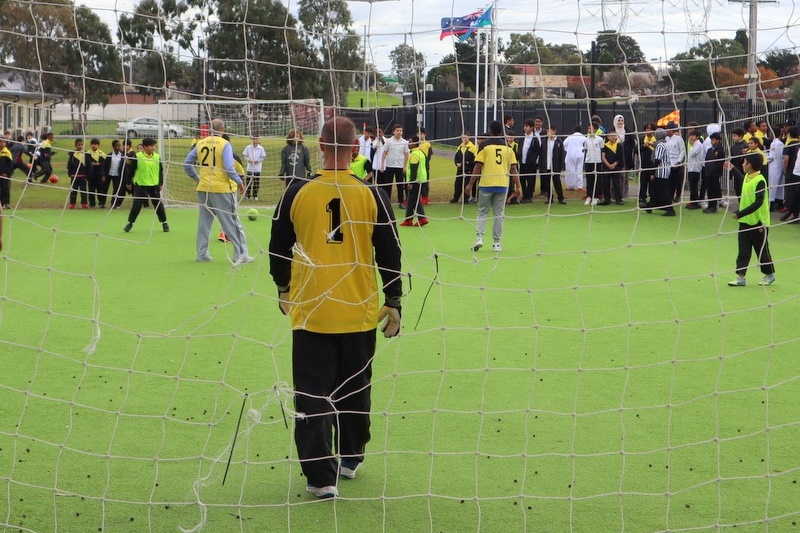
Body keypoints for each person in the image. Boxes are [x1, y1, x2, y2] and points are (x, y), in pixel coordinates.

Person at [268, 116, 402, 500]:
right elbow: (390, 252)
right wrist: (393, 301)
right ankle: (351, 458)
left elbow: (278, 247)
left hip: (311, 311)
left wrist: (282, 286)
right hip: (358, 311)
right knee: (355, 389)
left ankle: (320, 478)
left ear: (320, 146)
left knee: (311, 393)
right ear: (356, 148)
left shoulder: (296, 192)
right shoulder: (372, 194)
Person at [183, 119, 252, 265]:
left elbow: (187, 164)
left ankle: (202, 254)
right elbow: (228, 167)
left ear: (209, 130)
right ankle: (240, 255)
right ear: (223, 129)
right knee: (231, 222)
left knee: (204, 223)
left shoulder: (200, 143)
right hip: (221, 189)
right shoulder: (224, 144)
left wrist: (198, 179)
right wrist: (240, 182)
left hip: (203, 189)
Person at [465, 120, 522, 252]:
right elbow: (513, 169)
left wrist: (470, 184)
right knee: (498, 214)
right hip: (502, 185)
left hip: (486, 184)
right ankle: (497, 243)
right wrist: (518, 187)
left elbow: (478, 165)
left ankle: (479, 238)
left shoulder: (484, 146)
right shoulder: (508, 148)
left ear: (490, 131)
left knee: (482, 212)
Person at [724, 153, 775, 287]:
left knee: (761, 250)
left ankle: (769, 274)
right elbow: (742, 180)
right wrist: (733, 168)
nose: (742, 164)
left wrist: (740, 213)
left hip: (759, 223)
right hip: (745, 222)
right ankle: (741, 278)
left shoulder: (760, 180)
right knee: (743, 250)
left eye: (744, 162)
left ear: (750, 164)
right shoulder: (747, 177)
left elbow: (758, 202)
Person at [123, 137, 169, 234]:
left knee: (158, 205)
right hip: (141, 184)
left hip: (154, 185)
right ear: (144, 147)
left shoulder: (157, 157)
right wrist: (128, 182)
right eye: (151, 146)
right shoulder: (137, 156)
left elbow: (160, 171)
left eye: (154, 146)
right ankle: (130, 223)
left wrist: (160, 182)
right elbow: (131, 170)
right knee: (137, 204)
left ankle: (164, 223)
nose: (153, 148)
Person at [400, 135, 428, 227]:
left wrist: (411, 182)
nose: (408, 143)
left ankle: (419, 218)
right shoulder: (421, 153)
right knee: (413, 200)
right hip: (421, 179)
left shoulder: (414, 155)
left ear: (415, 143)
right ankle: (411, 219)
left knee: (412, 200)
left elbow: (414, 169)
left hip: (415, 181)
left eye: (410, 142)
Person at [648, 128, 675, 216]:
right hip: (666, 169)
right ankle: (651, 205)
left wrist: (652, 172)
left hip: (661, 170)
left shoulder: (660, 145)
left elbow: (657, 160)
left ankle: (670, 209)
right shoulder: (666, 144)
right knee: (657, 189)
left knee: (663, 190)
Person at [381, 124, 409, 208]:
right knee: (388, 185)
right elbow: (385, 152)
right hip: (390, 165)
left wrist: (405, 166)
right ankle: (387, 202)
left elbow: (406, 154)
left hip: (400, 166)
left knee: (400, 185)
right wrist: (382, 164)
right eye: (397, 130)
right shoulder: (389, 141)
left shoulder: (404, 142)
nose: (399, 132)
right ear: (393, 131)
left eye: (400, 130)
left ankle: (401, 202)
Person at [538, 124, 566, 204]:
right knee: (547, 183)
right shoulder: (544, 142)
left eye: (550, 131)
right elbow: (541, 154)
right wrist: (540, 165)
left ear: (554, 131)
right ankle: (550, 198)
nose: (548, 133)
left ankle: (561, 198)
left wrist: (561, 166)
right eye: (547, 131)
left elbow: (562, 155)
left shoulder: (559, 142)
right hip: (546, 166)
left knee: (557, 182)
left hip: (555, 166)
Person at [517, 119, 540, 203]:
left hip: (531, 163)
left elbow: (537, 151)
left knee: (530, 180)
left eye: (527, 126)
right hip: (522, 162)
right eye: (524, 126)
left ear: (531, 127)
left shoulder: (535, 139)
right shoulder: (522, 137)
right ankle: (525, 195)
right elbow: (520, 148)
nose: (525, 128)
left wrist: (532, 160)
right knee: (522, 179)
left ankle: (529, 196)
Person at [452, 132, 477, 204]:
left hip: (468, 169)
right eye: (462, 137)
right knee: (457, 184)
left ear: (469, 137)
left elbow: (474, 160)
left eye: (465, 137)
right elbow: (456, 157)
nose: (463, 139)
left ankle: (466, 199)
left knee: (466, 184)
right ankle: (455, 198)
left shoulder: (473, 148)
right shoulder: (460, 147)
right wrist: (456, 163)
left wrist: (467, 163)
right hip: (460, 169)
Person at [600, 130, 624, 205]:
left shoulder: (619, 145)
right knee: (605, 183)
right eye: (611, 136)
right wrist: (608, 165)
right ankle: (607, 199)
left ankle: (618, 199)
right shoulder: (605, 145)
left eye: (614, 135)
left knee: (616, 183)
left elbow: (620, 157)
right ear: (608, 137)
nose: (613, 137)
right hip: (606, 167)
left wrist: (614, 165)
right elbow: (603, 156)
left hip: (616, 167)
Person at [703, 131, 725, 214]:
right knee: (709, 189)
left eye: (713, 140)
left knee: (714, 190)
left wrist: (714, 170)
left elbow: (720, 162)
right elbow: (707, 160)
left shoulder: (720, 150)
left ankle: (713, 206)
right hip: (709, 173)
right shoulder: (710, 150)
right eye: (711, 140)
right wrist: (707, 169)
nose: (711, 141)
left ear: (718, 140)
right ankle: (710, 205)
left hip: (715, 174)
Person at [584, 121, 604, 206]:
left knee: (597, 180)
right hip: (588, 162)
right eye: (588, 128)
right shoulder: (586, 139)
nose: (589, 130)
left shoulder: (599, 139)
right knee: (589, 180)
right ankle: (589, 196)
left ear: (595, 130)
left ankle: (596, 197)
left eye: (591, 128)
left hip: (597, 162)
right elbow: (586, 149)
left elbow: (602, 150)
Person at [66, 139, 89, 209]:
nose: (80, 146)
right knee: (73, 190)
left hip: (83, 176)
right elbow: (69, 165)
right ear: (76, 145)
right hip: (74, 176)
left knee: (83, 191)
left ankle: (84, 203)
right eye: (79, 145)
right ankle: (72, 203)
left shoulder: (86, 154)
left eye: (82, 145)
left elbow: (89, 165)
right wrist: (70, 173)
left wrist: (88, 175)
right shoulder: (72, 154)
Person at [243, 135, 267, 200]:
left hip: (257, 169)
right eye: (253, 139)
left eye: (256, 139)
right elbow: (245, 155)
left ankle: (255, 196)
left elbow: (263, 157)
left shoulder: (261, 148)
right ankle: (247, 195)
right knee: (248, 182)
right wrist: (249, 160)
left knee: (256, 182)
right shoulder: (248, 147)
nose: (255, 141)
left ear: (258, 140)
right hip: (250, 168)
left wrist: (257, 161)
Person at [104, 139, 126, 209]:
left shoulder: (122, 156)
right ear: (113, 147)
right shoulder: (109, 155)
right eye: (117, 145)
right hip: (109, 174)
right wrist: (103, 175)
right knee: (104, 188)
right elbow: (104, 166)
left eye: (120, 145)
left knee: (116, 189)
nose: (119, 147)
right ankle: (102, 202)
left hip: (117, 175)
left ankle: (113, 203)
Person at [639, 122, 657, 208]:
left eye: (650, 129)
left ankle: (652, 198)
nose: (648, 131)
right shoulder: (642, 139)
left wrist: (652, 144)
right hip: (644, 164)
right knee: (643, 182)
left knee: (652, 182)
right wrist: (644, 146)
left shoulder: (656, 139)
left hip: (653, 164)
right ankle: (642, 197)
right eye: (647, 129)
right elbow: (636, 150)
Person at [686, 129, 705, 209]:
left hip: (695, 168)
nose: (691, 137)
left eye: (693, 135)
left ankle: (695, 203)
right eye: (691, 135)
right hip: (691, 168)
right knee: (692, 186)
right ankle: (692, 201)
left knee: (694, 186)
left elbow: (692, 154)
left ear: (697, 137)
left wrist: (691, 145)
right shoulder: (694, 145)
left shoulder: (698, 145)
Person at [563, 125, 585, 190]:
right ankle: (579, 186)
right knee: (579, 169)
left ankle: (570, 186)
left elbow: (564, 143)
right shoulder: (583, 137)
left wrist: (568, 150)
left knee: (570, 170)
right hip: (580, 154)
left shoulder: (570, 137)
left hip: (571, 154)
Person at [86, 138, 107, 208]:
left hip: (99, 174)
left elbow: (105, 165)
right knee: (91, 190)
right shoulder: (87, 153)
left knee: (100, 189)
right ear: (90, 145)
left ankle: (101, 203)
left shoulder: (101, 154)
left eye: (95, 144)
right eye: (92, 144)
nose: (94, 146)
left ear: (98, 145)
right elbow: (85, 164)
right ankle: (92, 203)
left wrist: (100, 164)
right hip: (91, 175)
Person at [417, 128, 432, 205]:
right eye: (418, 134)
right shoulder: (415, 143)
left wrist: (425, 164)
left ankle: (425, 197)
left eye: (421, 134)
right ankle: (418, 197)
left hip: (424, 166)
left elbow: (429, 156)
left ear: (425, 134)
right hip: (416, 165)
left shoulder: (427, 144)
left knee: (425, 182)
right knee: (417, 181)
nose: (420, 135)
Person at [0, 138, 12, 210]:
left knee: (5, 189)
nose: (1, 144)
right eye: (0, 142)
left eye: (3, 142)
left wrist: (7, 173)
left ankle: (6, 203)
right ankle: (1, 204)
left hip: (4, 174)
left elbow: (10, 164)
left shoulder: (7, 152)